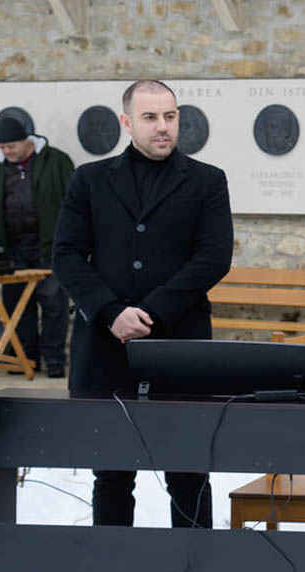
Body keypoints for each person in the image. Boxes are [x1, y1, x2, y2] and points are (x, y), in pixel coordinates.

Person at [51, 79, 233, 528]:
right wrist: (111, 312)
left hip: (180, 348)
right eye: (150, 117)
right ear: (127, 122)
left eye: (170, 116)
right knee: (112, 474)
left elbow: (213, 257)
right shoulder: (90, 180)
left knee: (189, 474)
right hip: (106, 350)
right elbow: (67, 255)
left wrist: (151, 312)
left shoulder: (207, 181)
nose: (162, 127)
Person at [0, 114, 75, 377]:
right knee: (18, 306)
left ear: (26, 140)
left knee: (53, 304)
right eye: (2, 147)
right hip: (13, 249)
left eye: (11, 146)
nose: (7, 151)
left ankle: (54, 361)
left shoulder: (57, 161)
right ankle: (26, 359)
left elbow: (74, 200)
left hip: (49, 247)